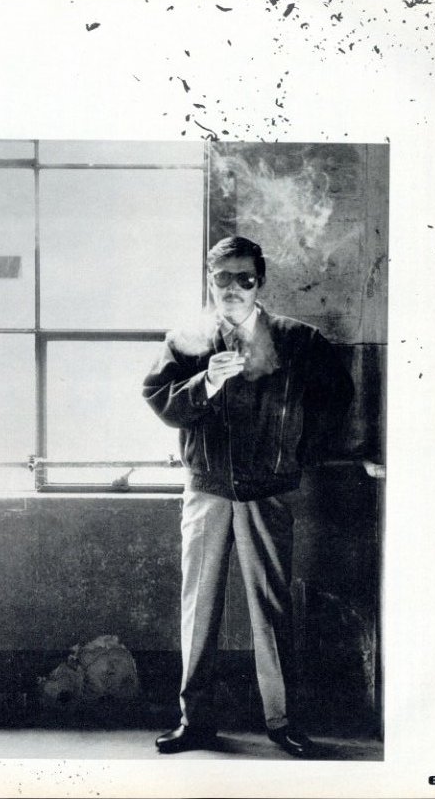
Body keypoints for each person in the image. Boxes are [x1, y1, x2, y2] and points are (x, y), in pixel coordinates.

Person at [141, 236, 353, 758]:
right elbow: (161, 402)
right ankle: (195, 723)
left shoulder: (297, 340)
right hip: (207, 489)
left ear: (260, 282)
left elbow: (337, 398)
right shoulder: (186, 341)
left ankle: (283, 723)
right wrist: (204, 384)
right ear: (209, 281)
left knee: (272, 609)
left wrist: (296, 453)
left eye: (245, 278)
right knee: (198, 607)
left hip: (268, 490)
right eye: (222, 278)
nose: (232, 288)